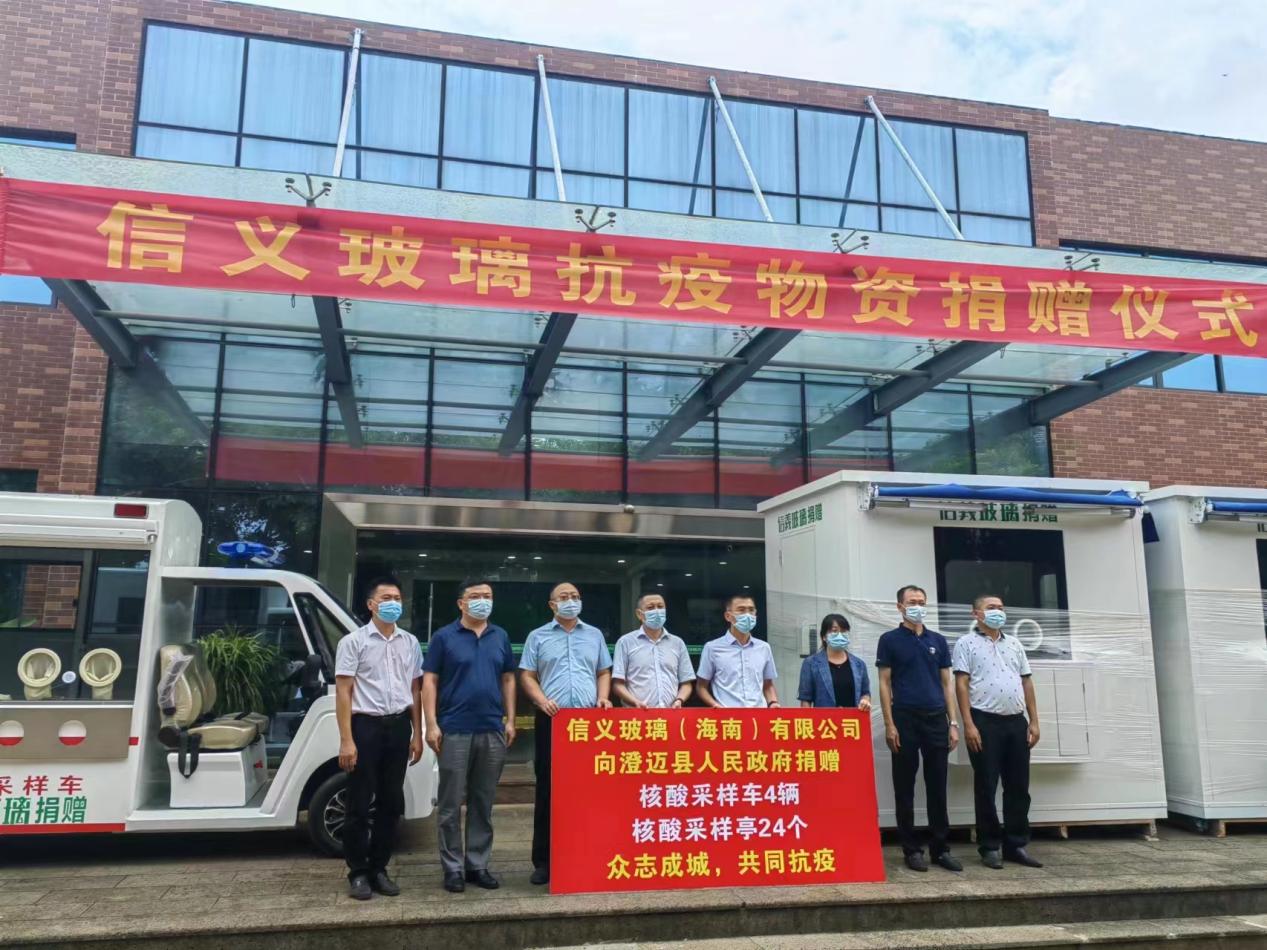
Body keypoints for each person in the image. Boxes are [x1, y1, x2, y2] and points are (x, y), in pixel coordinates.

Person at [422, 579, 518, 893]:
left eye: (487, 595)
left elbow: (508, 678)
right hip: (454, 729)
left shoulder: (500, 635)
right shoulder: (444, 637)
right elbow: (430, 681)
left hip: (491, 728)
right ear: (461, 603)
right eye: (475, 596)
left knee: (483, 801)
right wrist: (431, 723)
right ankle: (452, 868)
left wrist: (510, 719)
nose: (482, 600)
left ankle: (477, 864)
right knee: (450, 803)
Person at [335, 577, 424, 900]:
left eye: (397, 598)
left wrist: (417, 733)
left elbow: (415, 689)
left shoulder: (409, 642)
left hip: (398, 726)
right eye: (386, 598)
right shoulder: (353, 642)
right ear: (371, 604)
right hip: (365, 727)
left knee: (391, 802)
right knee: (359, 803)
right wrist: (347, 740)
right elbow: (343, 691)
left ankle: (379, 868)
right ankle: (358, 872)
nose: (393, 603)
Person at [519, 582, 613, 886]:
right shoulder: (538, 636)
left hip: (589, 722)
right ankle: (544, 861)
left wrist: (603, 697)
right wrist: (541, 700)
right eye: (564, 597)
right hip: (553, 719)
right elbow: (527, 675)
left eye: (575, 596)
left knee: (590, 790)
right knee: (548, 789)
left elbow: (603, 671)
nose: (570, 601)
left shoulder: (594, 635)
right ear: (552, 605)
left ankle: (588, 854)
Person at [876, 585, 962, 873]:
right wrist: (889, 724)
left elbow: (947, 684)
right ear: (900, 607)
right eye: (912, 602)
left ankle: (941, 849)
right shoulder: (889, 640)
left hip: (936, 719)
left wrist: (952, 723)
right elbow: (884, 683)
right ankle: (911, 849)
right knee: (904, 787)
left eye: (922, 602)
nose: (917, 607)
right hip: (904, 719)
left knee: (937, 785)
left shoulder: (938, 640)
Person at [953, 594, 1043, 870]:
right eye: (991, 608)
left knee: (1018, 787)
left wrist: (1034, 721)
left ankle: (1016, 844)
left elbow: (1026, 682)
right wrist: (968, 724)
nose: (998, 612)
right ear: (976, 614)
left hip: (1016, 721)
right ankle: (990, 846)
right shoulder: (965, 643)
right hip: (984, 722)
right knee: (986, 786)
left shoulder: (1014, 644)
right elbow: (961, 684)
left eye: (1001, 608)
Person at [612, 593, 695, 709]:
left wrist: (679, 700)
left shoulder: (677, 643)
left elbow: (686, 683)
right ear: (639, 614)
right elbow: (617, 684)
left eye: (660, 607)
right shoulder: (625, 642)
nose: (657, 611)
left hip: (670, 714)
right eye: (650, 608)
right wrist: (635, 702)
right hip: (636, 714)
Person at [696, 594, 779, 709]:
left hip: (759, 714)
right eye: (741, 610)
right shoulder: (712, 648)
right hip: (728, 716)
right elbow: (701, 686)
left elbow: (768, 685)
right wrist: (715, 705)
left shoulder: (764, 648)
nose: (747, 615)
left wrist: (773, 702)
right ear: (728, 616)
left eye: (751, 610)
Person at [797, 613, 872, 710]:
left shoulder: (859, 664)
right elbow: (805, 699)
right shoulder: (811, 663)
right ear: (824, 636)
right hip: (824, 719)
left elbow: (865, 693)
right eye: (834, 631)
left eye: (843, 631)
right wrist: (807, 718)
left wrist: (865, 701)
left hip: (852, 719)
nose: (840, 635)